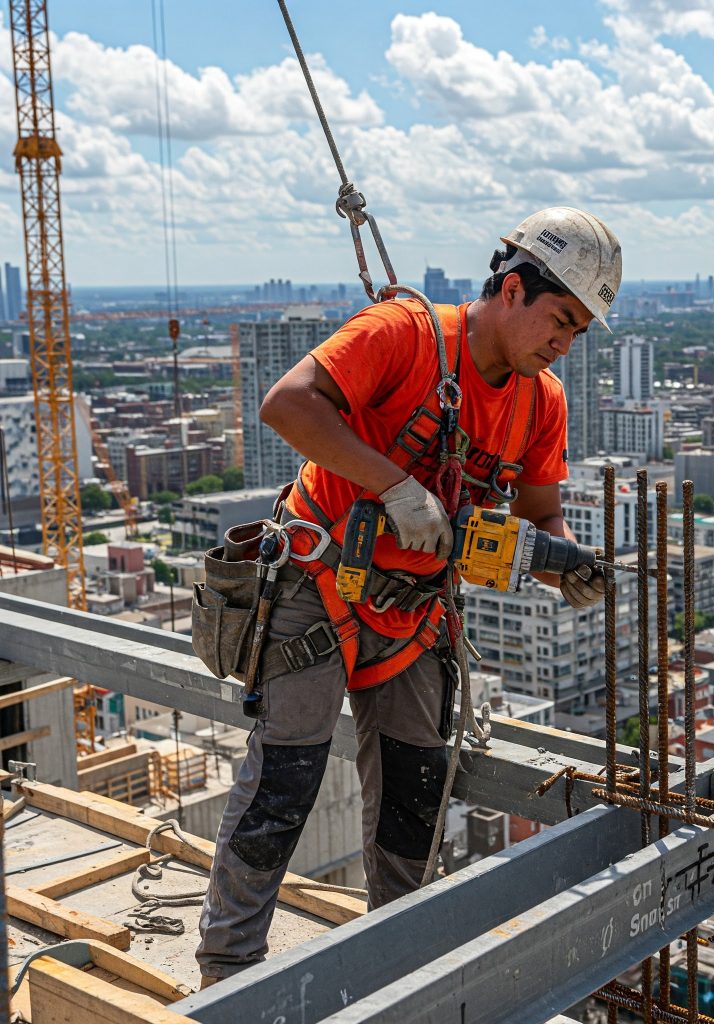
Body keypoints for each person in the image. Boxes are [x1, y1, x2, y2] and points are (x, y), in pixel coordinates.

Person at [196, 207, 622, 983]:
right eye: (560, 320)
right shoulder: (406, 334)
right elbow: (287, 403)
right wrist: (391, 484)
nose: (564, 343)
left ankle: (394, 971)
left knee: (413, 797)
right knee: (284, 784)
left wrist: (565, 563)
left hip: (415, 611)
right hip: (317, 583)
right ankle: (226, 973)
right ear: (515, 289)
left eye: (578, 332)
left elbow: (537, 514)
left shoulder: (539, 400)